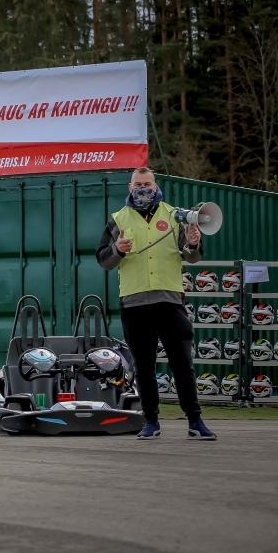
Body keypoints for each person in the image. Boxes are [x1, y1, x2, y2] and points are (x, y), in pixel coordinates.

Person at [96, 166, 216, 440]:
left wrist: (194, 243)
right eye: (137, 184)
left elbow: (192, 257)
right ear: (129, 187)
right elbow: (103, 259)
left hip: (170, 300)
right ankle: (150, 421)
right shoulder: (118, 219)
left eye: (147, 183)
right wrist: (118, 250)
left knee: (182, 364)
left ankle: (195, 421)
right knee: (144, 366)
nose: (143, 188)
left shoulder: (175, 216)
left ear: (155, 184)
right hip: (134, 303)